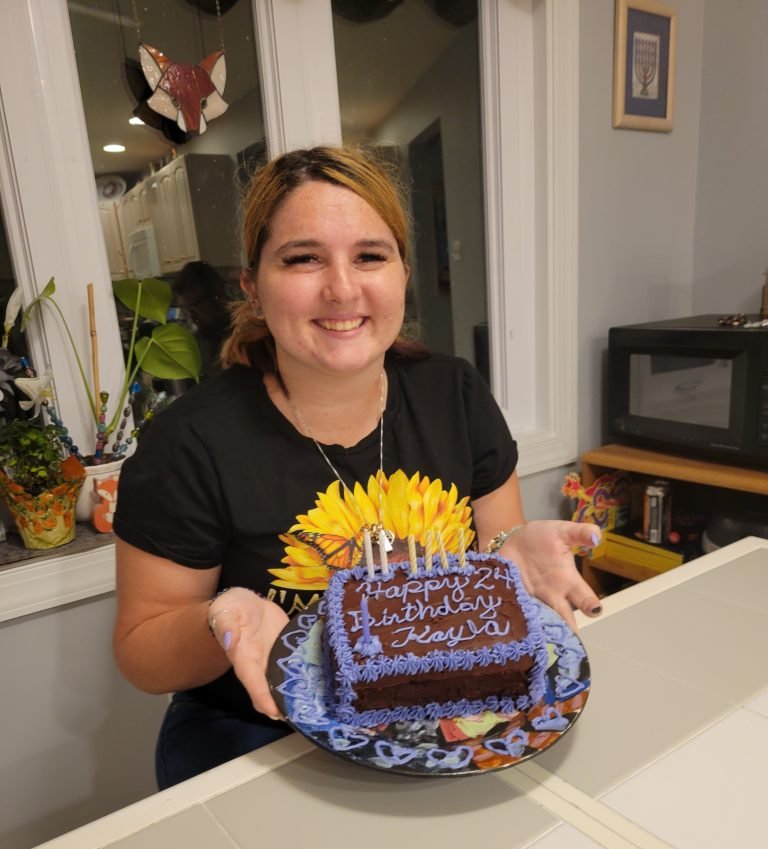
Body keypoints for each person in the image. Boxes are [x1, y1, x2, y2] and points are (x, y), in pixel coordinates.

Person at [113, 145, 602, 790]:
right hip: (260, 738)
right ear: (253, 285)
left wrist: (512, 545)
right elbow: (142, 652)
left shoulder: (454, 394)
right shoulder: (188, 442)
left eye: (370, 255)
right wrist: (224, 615)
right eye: (303, 258)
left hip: (443, 729)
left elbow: (488, 568)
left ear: (402, 272)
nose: (342, 288)